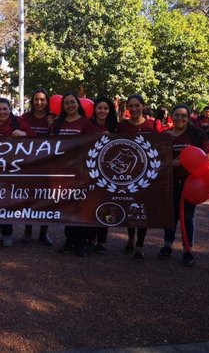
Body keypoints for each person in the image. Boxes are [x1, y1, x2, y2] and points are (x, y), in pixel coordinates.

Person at [157, 104, 209, 266]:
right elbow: (156, 158)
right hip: (169, 181)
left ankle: (188, 250)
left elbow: (207, 157)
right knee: (170, 214)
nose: (180, 119)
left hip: (191, 182)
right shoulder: (165, 135)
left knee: (187, 215)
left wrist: (191, 165)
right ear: (171, 117)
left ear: (189, 118)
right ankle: (167, 246)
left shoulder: (197, 134)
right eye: (177, 115)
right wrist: (170, 162)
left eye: (183, 116)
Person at [0, 97, 34, 247]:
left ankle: (7, 232)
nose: (2, 112)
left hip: (10, 169)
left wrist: (23, 135)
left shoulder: (18, 123)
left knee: (6, 200)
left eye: (5, 109)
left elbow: (36, 139)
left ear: (10, 109)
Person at [52, 92, 96, 257]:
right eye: (66, 103)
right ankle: (69, 241)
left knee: (80, 207)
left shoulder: (85, 123)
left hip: (80, 170)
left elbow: (92, 143)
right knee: (68, 206)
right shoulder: (58, 123)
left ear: (78, 104)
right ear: (63, 107)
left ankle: (80, 243)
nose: (70, 105)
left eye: (72, 102)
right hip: (63, 171)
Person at [117, 94, 156, 260]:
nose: (133, 109)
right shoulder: (122, 127)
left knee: (143, 208)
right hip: (126, 176)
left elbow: (158, 148)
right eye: (130, 106)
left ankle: (140, 244)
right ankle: (130, 237)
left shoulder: (151, 126)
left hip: (146, 175)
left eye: (136, 105)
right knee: (128, 206)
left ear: (142, 106)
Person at [21, 88, 54, 246]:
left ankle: (43, 232)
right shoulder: (25, 118)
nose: (39, 103)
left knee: (46, 197)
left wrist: (51, 126)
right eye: (36, 99)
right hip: (29, 163)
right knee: (29, 197)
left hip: (48, 164)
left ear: (47, 101)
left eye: (42, 100)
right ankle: (28, 231)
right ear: (32, 101)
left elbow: (59, 139)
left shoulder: (52, 118)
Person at [86, 96, 118, 254]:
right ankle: (90, 238)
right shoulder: (88, 125)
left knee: (106, 204)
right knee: (91, 204)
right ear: (94, 109)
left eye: (105, 108)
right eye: (99, 108)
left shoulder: (115, 127)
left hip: (109, 172)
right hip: (90, 170)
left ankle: (102, 241)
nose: (102, 111)